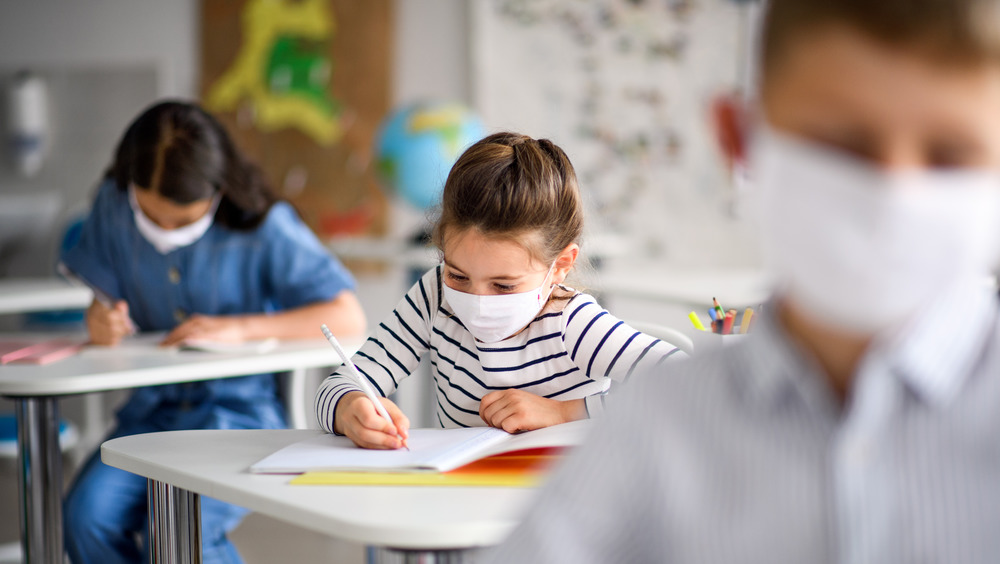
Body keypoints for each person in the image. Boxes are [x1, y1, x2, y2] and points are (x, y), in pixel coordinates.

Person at [486, 0, 1000, 562]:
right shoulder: (654, 426)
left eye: (952, 156)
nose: (894, 196)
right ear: (741, 138)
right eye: (844, 145)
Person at [61, 100, 365, 564]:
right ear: (130, 187)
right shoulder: (112, 204)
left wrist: (241, 327)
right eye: (150, 217)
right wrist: (99, 320)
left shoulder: (264, 224)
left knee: (184, 531)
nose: (164, 232)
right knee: (85, 517)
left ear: (218, 191)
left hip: (238, 415)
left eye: (183, 222)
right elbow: (101, 298)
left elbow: (347, 316)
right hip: (150, 414)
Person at [315, 132, 684, 449]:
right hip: (462, 503)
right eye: (458, 276)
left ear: (560, 265)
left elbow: (687, 385)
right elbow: (342, 382)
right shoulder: (433, 296)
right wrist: (350, 407)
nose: (476, 302)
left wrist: (564, 412)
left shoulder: (571, 322)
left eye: (504, 286)